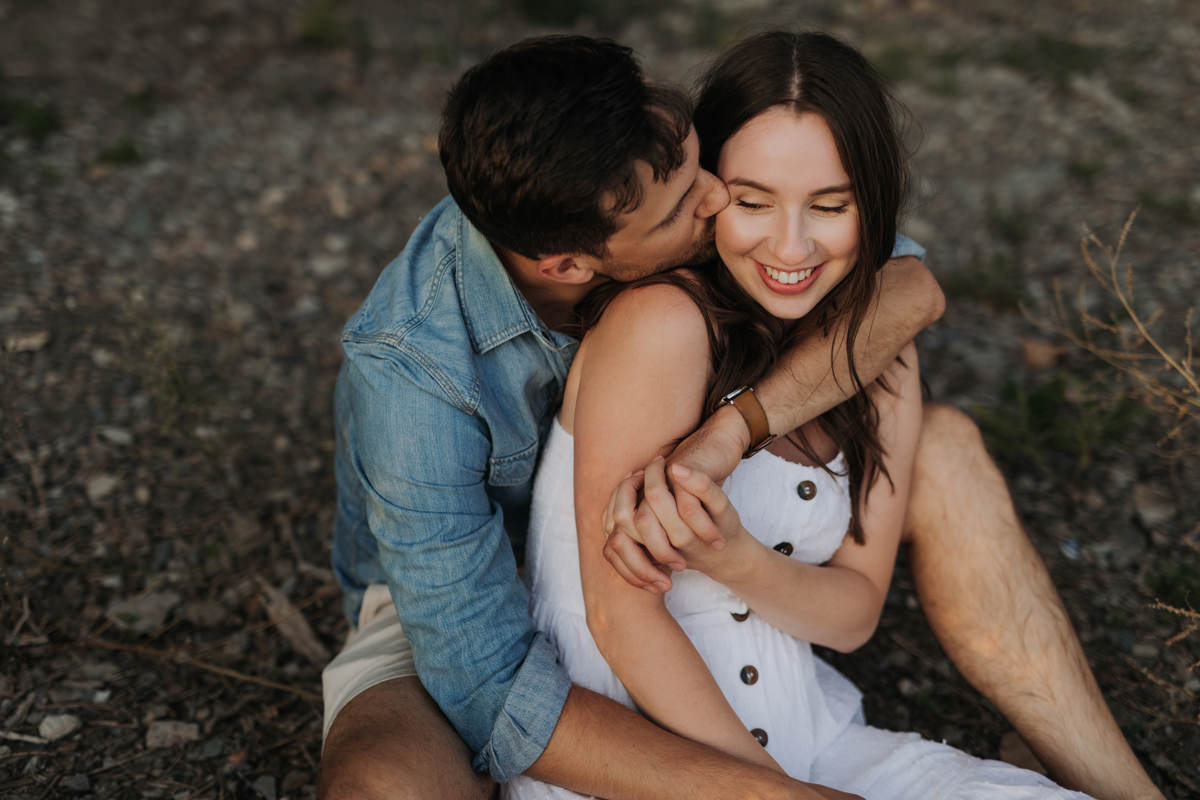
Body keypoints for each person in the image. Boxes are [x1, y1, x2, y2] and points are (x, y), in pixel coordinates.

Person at [317, 34, 1162, 800]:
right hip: (474, 594)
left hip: (709, 604)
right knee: (385, 784)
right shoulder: (414, 374)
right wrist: (768, 792)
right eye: (693, 203)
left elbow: (903, 286)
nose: (717, 197)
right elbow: (489, 683)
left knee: (946, 444)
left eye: (706, 168)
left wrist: (732, 434)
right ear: (572, 264)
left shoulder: (658, 176)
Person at [505, 30, 1090, 799]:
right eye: (752, 202)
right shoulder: (663, 325)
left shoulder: (881, 353)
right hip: (648, 772)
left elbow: (852, 615)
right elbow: (619, 622)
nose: (791, 245)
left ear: (872, 202)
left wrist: (734, 557)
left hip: (817, 745)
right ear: (708, 191)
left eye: (830, 205)